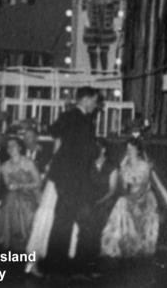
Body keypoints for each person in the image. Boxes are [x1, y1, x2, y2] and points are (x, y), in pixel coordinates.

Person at [43, 86, 101, 277]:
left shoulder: (74, 116)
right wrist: (95, 153)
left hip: (70, 177)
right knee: (80, 221)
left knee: (65, 221)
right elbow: (86, 149)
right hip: (73, 178)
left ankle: (57, 265)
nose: (95, 104)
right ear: (85, 100)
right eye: (94, 100)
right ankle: (75, 266)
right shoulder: (80, 118)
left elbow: (54, 131)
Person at [101, 138, 159, 257]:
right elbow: (124, 188)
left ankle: (140, 247)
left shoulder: (144, 165)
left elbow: (144, 186)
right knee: (121, 202)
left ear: (137, 150)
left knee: (126, 202)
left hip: (144, 197)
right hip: (130, 196)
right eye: (127, 149)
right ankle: (114, 246)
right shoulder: (125, 166)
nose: (129, 151)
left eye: (132, 149)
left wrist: (134, 198)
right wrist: (122, 171)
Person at [0, 136, 42, 251]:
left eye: (14, 145)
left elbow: (38, 183)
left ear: (20, 148)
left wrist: (21, 186)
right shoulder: (5, 166)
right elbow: (8, 185)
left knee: (24, 204)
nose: (11, 148)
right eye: (9, 146)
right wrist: (12, 186)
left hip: (30, 192)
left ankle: (26, 241)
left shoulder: (28, 163)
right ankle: (12, 243)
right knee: (9, 202)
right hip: (14, 194)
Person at [78, 139, 117, 261]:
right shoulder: (88, 164)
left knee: (101, 214)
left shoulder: (112, 167)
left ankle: (97, 251)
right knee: (84, 212)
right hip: (90, 198)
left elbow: (112, 190)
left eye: (97, 148)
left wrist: (100, 201)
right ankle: (84, 251)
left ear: (103, 149)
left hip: (106, 198)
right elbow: (83, 184)